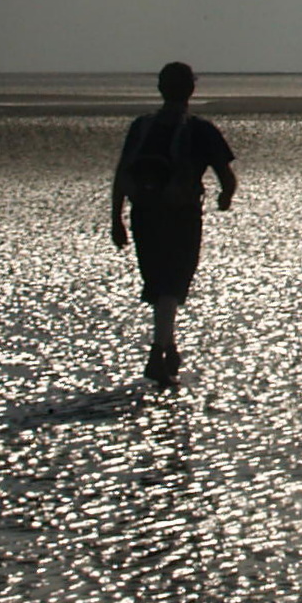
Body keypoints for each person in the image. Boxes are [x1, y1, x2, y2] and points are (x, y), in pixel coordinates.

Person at [111, 61, 235, 383]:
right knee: (172, 285)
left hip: (144, 214)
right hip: (181, 215)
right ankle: (158, 353)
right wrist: (225, 198)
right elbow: (226, 177)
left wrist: (116, 219)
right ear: (191, 90)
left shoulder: (142, 127)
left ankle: (169, 348)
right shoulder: (201, 130)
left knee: (160, 285)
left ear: (160, 88)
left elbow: (122, 173)